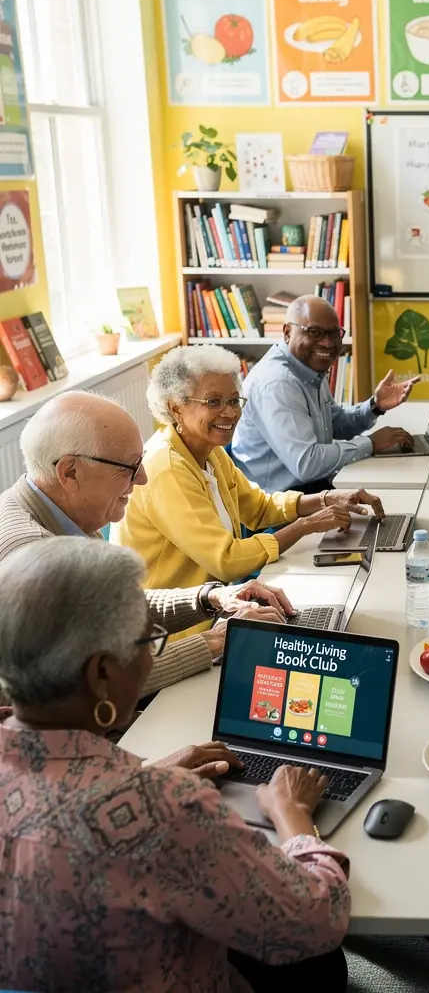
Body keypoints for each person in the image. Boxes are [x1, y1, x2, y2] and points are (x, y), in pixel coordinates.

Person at [0, 539, 351, 991]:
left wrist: (142, 778)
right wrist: (293, 816)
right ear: (101, 674)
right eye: (149, 640)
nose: (151, 657)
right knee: (320, 966)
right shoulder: (167, 809)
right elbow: (315, 920)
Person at [0, 391, 291, 695]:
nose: (141, 479)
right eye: (128, 467)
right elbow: (95, 686)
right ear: (70, 471)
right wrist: (216, 640)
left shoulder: (61, 509)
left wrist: (209, 598)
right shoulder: (35, 560)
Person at [113, 345, 384, 606]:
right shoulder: (166, 468)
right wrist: (307, 525)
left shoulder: (208, 450)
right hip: (173, 630)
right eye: (213, 402)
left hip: (215, 601)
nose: (230, 412)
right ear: (176, 408)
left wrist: (327, 499)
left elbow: (258, 508)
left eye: (233, 400)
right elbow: (227, 560)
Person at [232, 295, 420, 494]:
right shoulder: (278, 382)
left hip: (308, 491)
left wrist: (374, 406)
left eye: (333, 334)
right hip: (276, 510)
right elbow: (307, 463)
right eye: (314, 332)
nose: (328, 343)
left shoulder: (307, 368)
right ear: (288, 332)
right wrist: (371, 443)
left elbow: (333, 425)